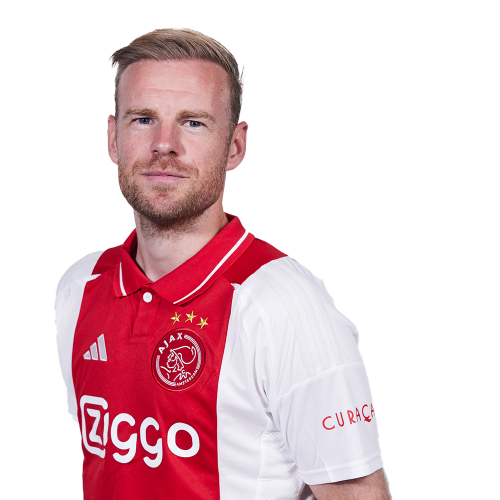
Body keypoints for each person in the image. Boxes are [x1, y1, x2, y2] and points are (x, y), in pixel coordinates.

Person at [54, 27, 392, 500]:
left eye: (193, 122)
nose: (164, 144)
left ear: (235, 145)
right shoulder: (79, 286)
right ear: (112, 138)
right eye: (143, 119)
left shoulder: (285, 304)